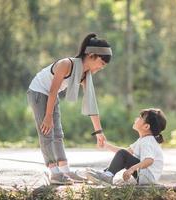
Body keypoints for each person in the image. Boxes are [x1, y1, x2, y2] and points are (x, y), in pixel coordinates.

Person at [27, 33, 112, 185]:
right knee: (47, 132)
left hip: (53, 96)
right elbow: (52, 90)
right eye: (102, 63)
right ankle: (54, 173)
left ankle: (65, 171)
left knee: (58, 133)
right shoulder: (67, 64)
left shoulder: (85, 75)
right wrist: (47, 116)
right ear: (91, 55)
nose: (102, 67)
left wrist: (99, 132)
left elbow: (91, 104)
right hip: (39, 93)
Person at [86, 108, 167, 185]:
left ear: (146, 126)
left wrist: (131, 169)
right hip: (145, 175)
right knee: (123, 154)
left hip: (147, 177)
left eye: (140, 117)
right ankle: (106, 174)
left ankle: (107, 175)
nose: (136, 119)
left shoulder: (147, 141)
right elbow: (125, 153)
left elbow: (149, 160)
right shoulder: (143, 140)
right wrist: (106, 145)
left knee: (123, 154)